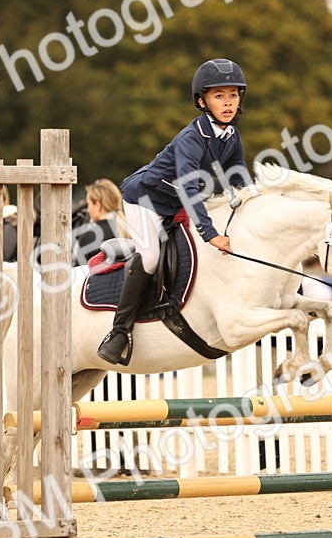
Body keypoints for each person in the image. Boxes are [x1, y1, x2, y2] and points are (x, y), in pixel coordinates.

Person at [98, 58, 251, 365]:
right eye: (219, 96)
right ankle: (118, 332)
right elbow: (188, 188)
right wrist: (210, 234)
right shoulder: (192, 138)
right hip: (145, 200)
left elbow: (239, 178)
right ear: (202, 101)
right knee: (151, 256)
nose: (228, 102)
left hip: (175, 204)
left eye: (233, 95)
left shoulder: (231, 136)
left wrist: (255, 203)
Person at [74, 179, 126, 266]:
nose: (88, 210)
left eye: (89, 204)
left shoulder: (89, 234)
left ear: (97, 205)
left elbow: (78, 270)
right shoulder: (127, 229)